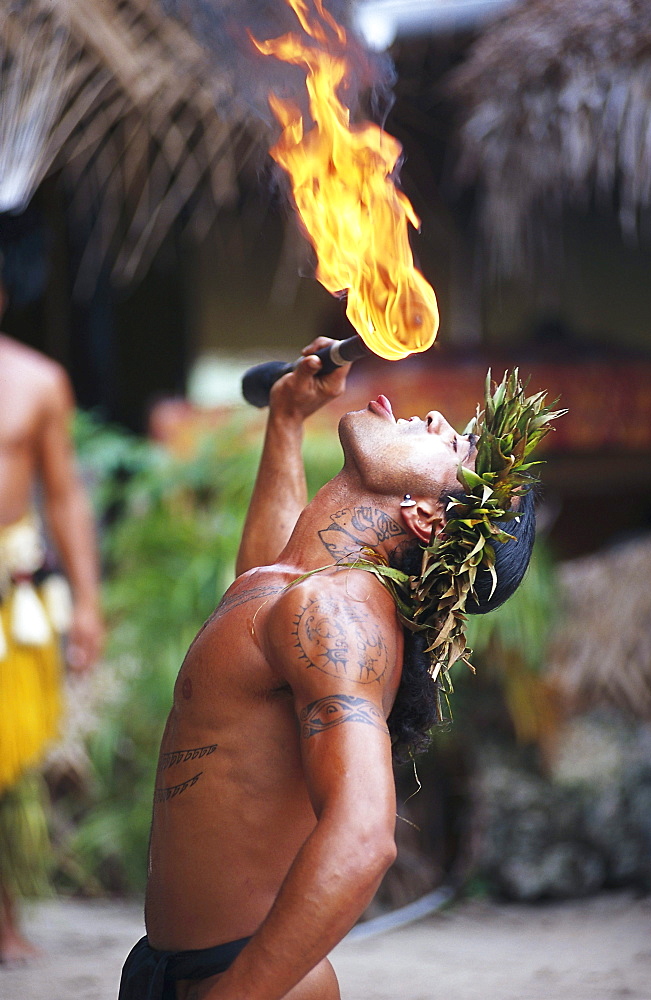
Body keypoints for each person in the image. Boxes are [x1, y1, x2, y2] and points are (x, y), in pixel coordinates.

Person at [119, 338, 540, 1000]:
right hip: (176, 971)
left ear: (426, 517)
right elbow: (254, 601)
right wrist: (286, 421)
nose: (434, 420)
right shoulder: (295, 592)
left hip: (247, 982)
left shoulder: (337, 610)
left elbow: (366, 835)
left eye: (453, 446)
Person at [0, 277, 104, 963]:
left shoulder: (38, 381)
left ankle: (4, 919)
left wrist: (88, 605)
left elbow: (64, 495)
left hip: (12, 594)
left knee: (9, 763)